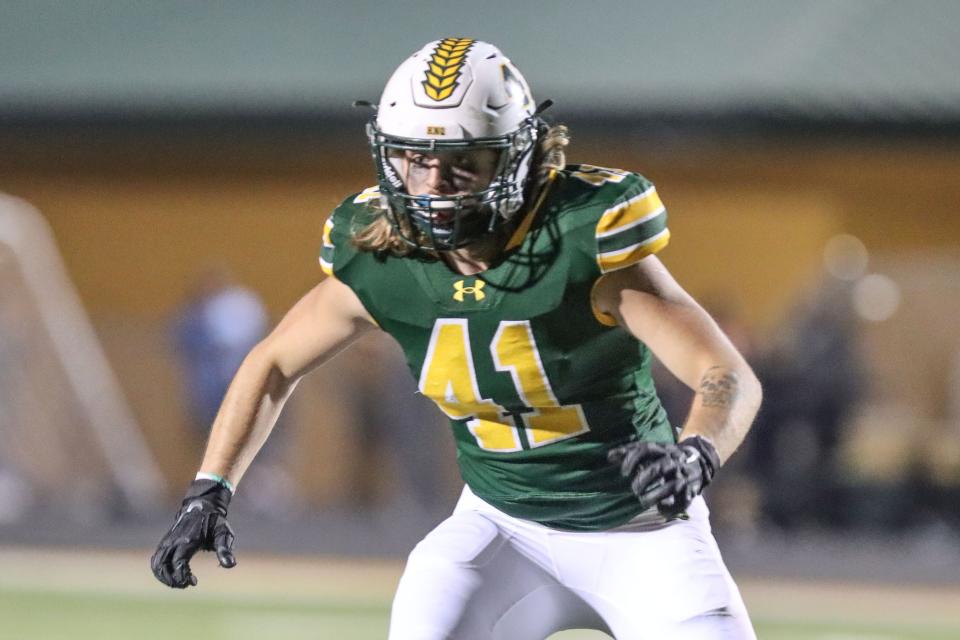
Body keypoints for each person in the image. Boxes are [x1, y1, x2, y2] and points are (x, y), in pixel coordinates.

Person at [151, 38, 762, 639]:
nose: (435, 184)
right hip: (502, 526)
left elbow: (725, 372)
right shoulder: (381, 257)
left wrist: (697, 452)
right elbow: (275, 363)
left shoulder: (581, 242)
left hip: (643, 529)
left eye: (463, 162)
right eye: (416, 159)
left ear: (520, 157)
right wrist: (211, 487)